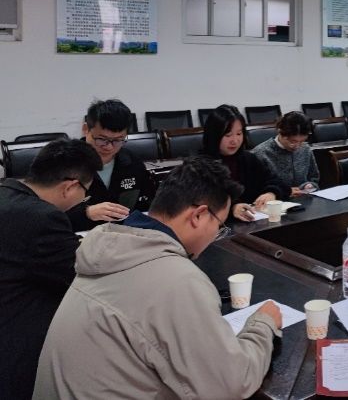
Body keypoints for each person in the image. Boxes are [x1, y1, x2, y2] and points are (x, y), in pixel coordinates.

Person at [34, 156, 282, 399]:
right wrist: (262, 325)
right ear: (198, 215)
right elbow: (231, 384)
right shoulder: (177, 279)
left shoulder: (108, 248)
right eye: (219, 226)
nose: (216, 234)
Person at [0, 140, 101, 400]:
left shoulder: (6, 192)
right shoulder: (42, 217)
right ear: (70, 187)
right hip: (16, 347)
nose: (82, 201)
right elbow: (80, 273)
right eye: (85, 194)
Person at [68, 98, 151, 231]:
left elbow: (148, 203)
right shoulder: (65, 163)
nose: (109, 147)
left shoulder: (132, 163)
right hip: (79, 234)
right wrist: (86, 213)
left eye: (118, 140)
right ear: (86, 129)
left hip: (125, 234)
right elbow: (46, 214)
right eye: (102, 139)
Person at [202, 104, 286, 222]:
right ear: (214, 135)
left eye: (239, 134)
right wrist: (232, 208)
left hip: (256, 222)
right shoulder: (200, 166)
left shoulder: (248, 158)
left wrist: (271, 193)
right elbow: (201, 202)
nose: (235, 141)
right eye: (228, 135)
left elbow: (277, 181)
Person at [252, 111, 320, 197]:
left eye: (302, 141)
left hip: (305, 199)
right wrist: (284, 192)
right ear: (280, 132)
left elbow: (314, 177)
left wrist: (309, 185)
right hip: (276, 202)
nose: (297, 146)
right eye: (292, 141)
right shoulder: (260, 153)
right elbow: (257, 189)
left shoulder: (305, 148)